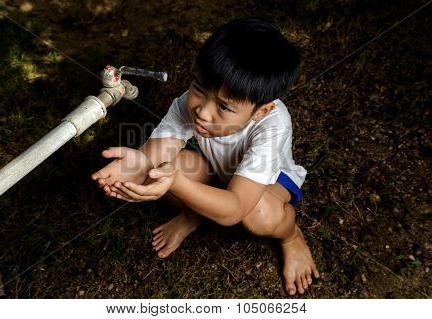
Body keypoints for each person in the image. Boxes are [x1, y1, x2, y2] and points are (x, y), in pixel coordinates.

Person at [91, 18, 319, 295]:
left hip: (269, 184)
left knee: (260, 216)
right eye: (199, 88)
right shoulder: (193, 103)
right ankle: (194, 214)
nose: (203, 111)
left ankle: (290, 237)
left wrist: (176, 183)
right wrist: (137, 165)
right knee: (159, 171)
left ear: (261, 111)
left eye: (224, 106)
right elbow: (158, 152)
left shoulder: (273, 125)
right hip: (218, 168)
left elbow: (236, 209)